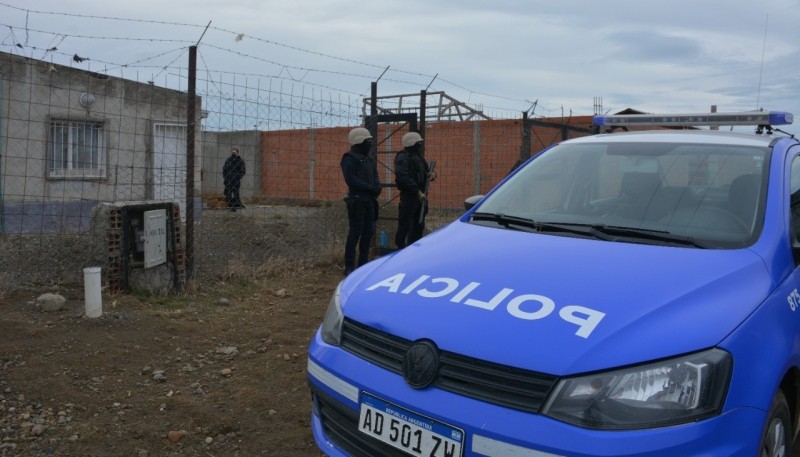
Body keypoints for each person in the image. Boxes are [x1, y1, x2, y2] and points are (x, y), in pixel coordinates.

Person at [341, 127, 382, 276]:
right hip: (357, 201)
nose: (370, 143)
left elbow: (375, 175)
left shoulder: (368, 159)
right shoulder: (349, 158)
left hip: (370, 201)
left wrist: (377, 186)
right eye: (367, 140)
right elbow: (350, 179)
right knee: (355, 234)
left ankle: (363, 265)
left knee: (368, 233)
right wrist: (370, 188)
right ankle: (349, 266)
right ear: (358, 141)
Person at [394, 131, 435, 249]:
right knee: (405, 226)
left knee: (419, 226)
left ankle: (414, 250)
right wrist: (417, 191)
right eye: (418, 143)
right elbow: (403, 177)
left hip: (421, 198)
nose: (420, 145)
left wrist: (432, 175)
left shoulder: (418, 157)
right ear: (411, 143)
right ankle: (400, 250)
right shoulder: (402, 157)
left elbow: (424, 173)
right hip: (409, 197)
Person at [222, 147, 246, 212]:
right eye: (232, 152)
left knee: (236, 194)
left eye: (234, 152)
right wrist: (225, 177)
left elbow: (243, 171)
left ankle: (235, 206)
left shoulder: (241, 161)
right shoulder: (228, 160)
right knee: (227, 193)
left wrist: (237, 177)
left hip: (236, 181)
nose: (233, 153)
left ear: (237, 153)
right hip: (228, 180)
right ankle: (229, 205)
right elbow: (224, 169)